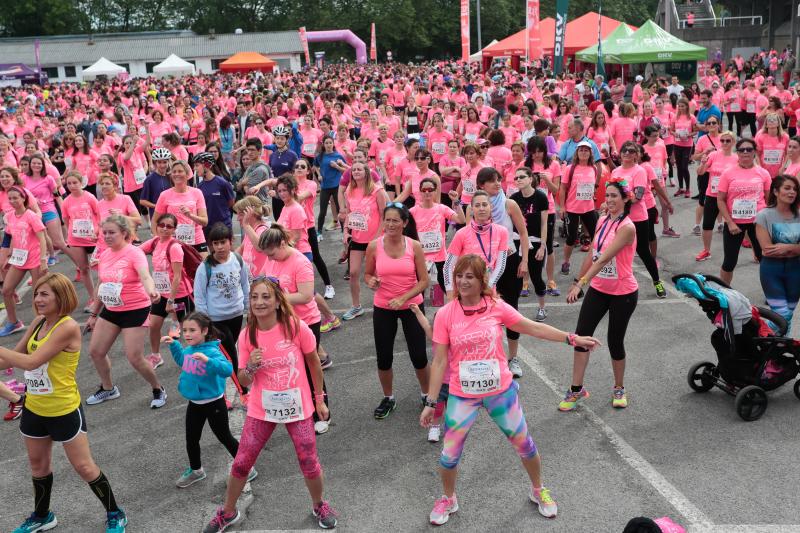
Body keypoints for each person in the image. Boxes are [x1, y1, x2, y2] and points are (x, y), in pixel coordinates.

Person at [421, 254, 599, 525]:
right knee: (448, 456)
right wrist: (431, 402)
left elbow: (532, 327)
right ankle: (448, 498)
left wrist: (570, 338)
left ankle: (538, 490)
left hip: (499, 392)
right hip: (462, 394)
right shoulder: (446, 314)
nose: (463, 281)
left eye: (470, 276)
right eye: (459, 276)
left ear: (483, 281)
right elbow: (440, 360)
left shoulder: (496, 306)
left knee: (525, 445)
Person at [203, 277, 337, 533]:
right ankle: (228, 512)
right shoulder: (247, 336)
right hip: (262, 408)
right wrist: (251, 365)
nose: (259, 302)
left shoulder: (295, 326)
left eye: (266, 297)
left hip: (297, 406)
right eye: (254, 297)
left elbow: (313, 362)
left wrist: (319, 399)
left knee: (308, 460)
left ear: (277, 301)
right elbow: (243, 379)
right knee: (242, 461)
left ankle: (319, 504)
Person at [0, 273, 129, 533]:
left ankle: (115, 513)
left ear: (62, 296)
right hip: (35, 408)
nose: (37, 299)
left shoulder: (68, 327)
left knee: (84, 466)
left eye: (44, 294)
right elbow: (13, 359)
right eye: (36, 293)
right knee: (38, 466)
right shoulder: (38, 322)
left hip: (64, 409)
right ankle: (42, 516)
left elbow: (31, 362)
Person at [562, 177, 638, 411]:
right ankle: (576, 390)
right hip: (599, 289)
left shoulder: (627, 228)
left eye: (615, 195)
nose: (610, 199)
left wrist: (581, 283)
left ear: (626, 199)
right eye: (608, 195)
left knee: (615, 341)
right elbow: (592, 254)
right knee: (581, 336)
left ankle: (619, 387)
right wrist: (578, 280)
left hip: (623, 292)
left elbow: (605, 258)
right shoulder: (602, 220)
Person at [161, 312, 257, 488]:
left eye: (192, 330)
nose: (187, 334)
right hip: (195, 404)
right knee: (191, 438)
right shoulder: (189, 350)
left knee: (224, 436)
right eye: (184, 330)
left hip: (214, 404)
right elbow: (184, 362)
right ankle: (196, 470)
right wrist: (174, 345)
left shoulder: (212, 351)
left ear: (205, 331)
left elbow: (228, 369)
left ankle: (247, 468)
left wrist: (208, 361)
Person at [256, 224, 333, 433]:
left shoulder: (300, 262)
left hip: (306, 323)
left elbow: (306, 295)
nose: (269, 258)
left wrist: (275, 300)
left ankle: (322, 414)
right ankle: (300, 413)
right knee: (292, 371)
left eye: (271, 253)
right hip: (282, 323)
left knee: (310, 368)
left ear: (282, 243)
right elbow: (264, 282)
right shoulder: (271, 260)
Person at [85, 215, 166, 408]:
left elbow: (145, 276)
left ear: (124, 233)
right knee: (96, 351)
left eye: (112, 232)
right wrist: (94, 314)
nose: (107, 236)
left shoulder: (134, 253)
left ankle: (158, 388)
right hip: (112, 308)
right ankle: (108, 388)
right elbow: (101, 285)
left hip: (135, 309)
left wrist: (152, 290)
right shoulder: (104, 254)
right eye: (104, 233)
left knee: (134, 357)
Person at [364, 203, 430, 419]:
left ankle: (427, 394)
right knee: (383, 358)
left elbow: (424, 281)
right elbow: (367, 274)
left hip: (411, 306)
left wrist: (403, 297)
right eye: (387, 220)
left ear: (404, 223)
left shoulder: (414, 246)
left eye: (395, 220)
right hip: (383, 307)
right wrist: (371, 281)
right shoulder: (374, 246)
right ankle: (388, 398)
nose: (390, 224)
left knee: (419, 356)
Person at [474, 168, 531, 377]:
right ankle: (488, 357)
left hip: (509, 261)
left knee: (511, 309)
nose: (497, 184)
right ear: (481, 185)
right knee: (484, 311)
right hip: (484, 266)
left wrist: (524, 261)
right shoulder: (478, 206)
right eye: (491, 181)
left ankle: (513, 358)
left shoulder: (509, 204)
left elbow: (523, 234)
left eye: (498, 180)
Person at [193, 223, 250, 389]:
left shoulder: (238, 260)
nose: (219, 247)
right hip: (216, 319)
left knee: (223, 354)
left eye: (223, 242)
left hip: (236, 314)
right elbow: (200, 296)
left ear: (230, 241)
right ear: (211, 245)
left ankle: (218, 387)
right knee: (231, 353)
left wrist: (249, 309)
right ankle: (243, 390)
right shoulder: (205, 267)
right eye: (215, 243)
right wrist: (205, 323)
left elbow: (245, 285)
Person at [614, 141, 667, 298]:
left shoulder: (640, 171)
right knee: (619, 251)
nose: (627, 153)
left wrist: (618, 200)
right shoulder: (616, 171)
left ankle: (657, 281)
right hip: (620, 218)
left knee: (643, 251)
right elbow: (612, 193)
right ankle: (622, 283)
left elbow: (637, 196)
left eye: (631, 151)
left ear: (637, 155)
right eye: (624, 150)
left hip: (638, 218)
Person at [141, 212, 194, 369]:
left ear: (174, 229)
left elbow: (177, 277)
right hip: (161, 295)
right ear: (156, 226)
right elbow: (136, 251)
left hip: (179, 296)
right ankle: (156, 356)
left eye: (169, 226)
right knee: (154, 325)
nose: (164, 229)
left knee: (189, 329)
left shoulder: (175, 247)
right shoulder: (155, 242)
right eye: (161, 225)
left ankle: (198, 357)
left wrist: (171, 300)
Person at [717, 138, 772, 284]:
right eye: (742, 150)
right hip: (735, 224)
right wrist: (729, 222)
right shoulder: (728, 173)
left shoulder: (763, 173)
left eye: (749, 149)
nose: (745, 152)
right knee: (729, 262)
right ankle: (725, 293)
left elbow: (770, 201)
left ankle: (771, 292)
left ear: (754, 152)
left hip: (758, 223)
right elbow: (720, 199)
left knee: (765, 260)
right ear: (738, 153)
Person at [340, 161, 388, 320]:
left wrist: (377, 237)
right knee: (353, 272)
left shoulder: (377, 190)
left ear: (367, 172)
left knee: (378, 274)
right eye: (353, 170)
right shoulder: (349, 190)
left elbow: (384, 215)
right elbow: (348, 213)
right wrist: (346, 231)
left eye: (359, 169)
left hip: (375, 239)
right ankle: (356, 306)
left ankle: (386, 302)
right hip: (357, 239)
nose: (356, 172)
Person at [0, 186, 48, 336]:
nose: (13, 201)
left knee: (38, 294)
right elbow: (11, 237)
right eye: (10, 198)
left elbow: (42, 237)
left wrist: (43, 259)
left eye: (16, 198)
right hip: (19, 259)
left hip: (34, 258)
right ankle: (14, 323)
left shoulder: (31, 215)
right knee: (7, 290)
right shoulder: (10, 217)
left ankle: (42, 324)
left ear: (23, 199)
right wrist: (8, 256)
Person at [755, 175, 800, 326]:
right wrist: (796, 248)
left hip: (795, 271)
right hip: (771, 271)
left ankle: (778, 345)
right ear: (775, 191)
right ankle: (762, 338)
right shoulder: (764, 215)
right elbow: (767, 250)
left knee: (788, 315)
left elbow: (779, 249)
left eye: (794, 189)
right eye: (787, 188)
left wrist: (788, 247)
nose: (792, 192)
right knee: (782, 314)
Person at [410, 178, 465, 296]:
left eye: (430, 189)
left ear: (435, 191)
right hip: (421, 257)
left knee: (449, 289)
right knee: (418, 293)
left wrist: (456, 201)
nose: (427, 192)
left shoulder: (441, 208)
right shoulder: (412, 212)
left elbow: (461, 220)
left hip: (440, 257)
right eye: (424, 190)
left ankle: (454, 311)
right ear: (420, 192)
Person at [510, 167, 549, 321]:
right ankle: (513, 311)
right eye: (516, 178)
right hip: (516, 241)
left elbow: (544, 224)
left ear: (530, 179)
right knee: (515, 278)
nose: (518, 180)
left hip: (535, 241)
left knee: (536, 276)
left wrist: (542, 246)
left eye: (521, 177)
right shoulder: (513, 198)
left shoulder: (540, 197)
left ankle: (542, 308)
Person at [558, 141, 599, 276]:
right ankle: (566, 261)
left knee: (596, 237)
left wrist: (592, 196)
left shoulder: (594, 168)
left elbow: (593, 187)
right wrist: (562, 207)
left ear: (590, 153)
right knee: (571, 238)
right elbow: (563, 188)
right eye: (581, 150)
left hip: (588, 208)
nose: (583, 152)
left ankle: (596, 263)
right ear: (577, 152)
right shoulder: (570, 168)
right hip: (572, 208)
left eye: (586, 150)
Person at [696, 131, 738, 261]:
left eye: (728, 141)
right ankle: (706, 250)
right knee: (707, 224)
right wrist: (702, 163)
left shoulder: (736, 158)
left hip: (729, 196)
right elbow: (700, 172)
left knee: (737, 223)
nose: (724, 143)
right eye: (722, 140)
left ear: (733, 142)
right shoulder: (713, 155)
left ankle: (754, 248)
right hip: (712, 194)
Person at [153, 160, 209, 254]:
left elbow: (205, 221)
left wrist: (190, 215)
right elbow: (155, 221)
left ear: (187, 174)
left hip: (197, 239)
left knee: (204, 268)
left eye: (180, 171)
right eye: (174, 172)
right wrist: (158, 240)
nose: (176, 174)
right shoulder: (164, 195)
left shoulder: (197, 193)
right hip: (173, 242)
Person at [194, 152, 235, 240]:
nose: (195, 169)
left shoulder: (222, 183)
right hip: (208, 227)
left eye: (197, 165)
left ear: (207, 165)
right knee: (213, 253)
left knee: (227, 252)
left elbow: (231, 202)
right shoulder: (200, 186)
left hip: (223, 225)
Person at [314, 135, 348, 233]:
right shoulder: (320, 156)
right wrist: (319, 174)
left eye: (330, 143)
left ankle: (343, 231)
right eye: (326, 143)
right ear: (323, 145)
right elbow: (315, 166)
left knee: (340, 209)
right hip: (325, 186)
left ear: (333, 144)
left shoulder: (338, 156)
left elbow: (346, 170)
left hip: (337, 186)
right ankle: (319, 232)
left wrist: (337, 166)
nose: (328, 145)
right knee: (322, 211)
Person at [140, 147, 173, 220]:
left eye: (164, 162)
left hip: (171, 215)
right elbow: (142, 201)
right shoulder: (149, 179)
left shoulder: (171, 177)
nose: (162, 165)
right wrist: (157, 206)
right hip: (157, 216)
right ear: (155, 163)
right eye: (159, 162)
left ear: (168, 162)